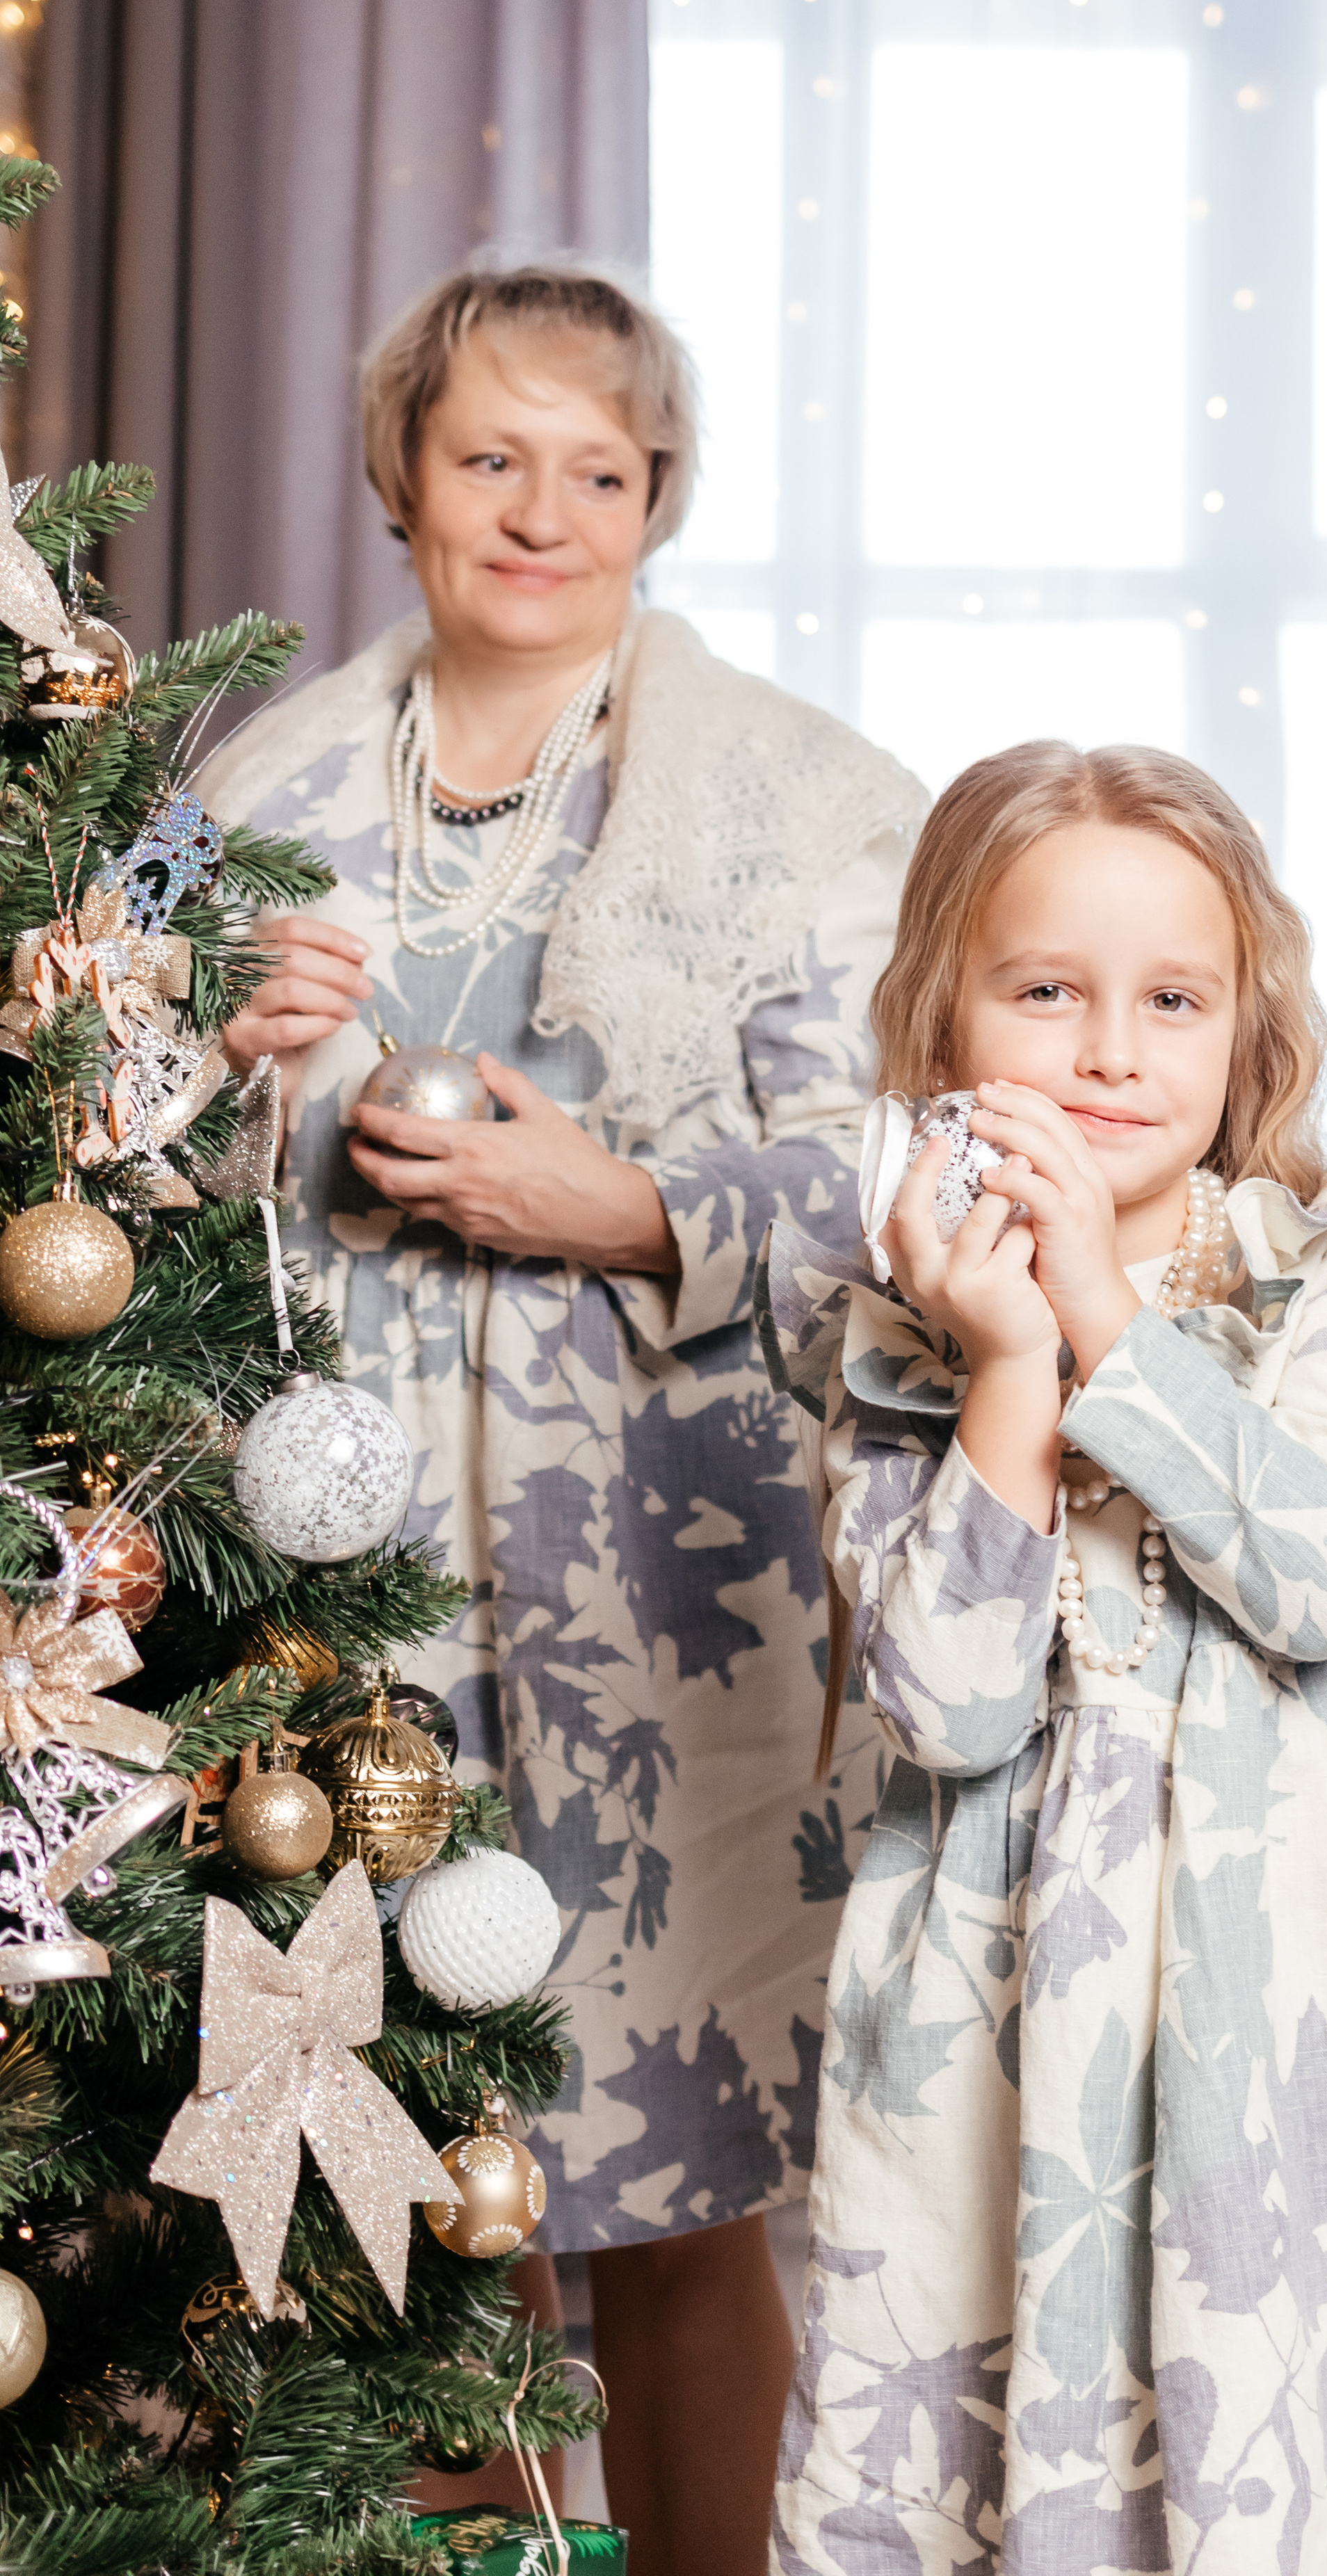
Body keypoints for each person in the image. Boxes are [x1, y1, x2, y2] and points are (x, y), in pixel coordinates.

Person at [200, 262, 922, 2569]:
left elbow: (910, 1184)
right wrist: (220, 1058)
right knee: (402, 2197)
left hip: (671, 1611)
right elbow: (97, 1194)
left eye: (596, 471)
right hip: (339, 1601)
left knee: (680, 2202)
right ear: (402, 471)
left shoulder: (807, 805)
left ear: (660, 501)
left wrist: (619, 1204)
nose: (540, 511)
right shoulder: (261, 785)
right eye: (490, 455)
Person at [757, 743, 1327, 2573]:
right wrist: (1010, 1361)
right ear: (948, 1013)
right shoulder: (911, 1319)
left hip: (1321, 1973)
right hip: (1002, 2011)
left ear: (1246, 1033)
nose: (1109, 1052)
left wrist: (1100, 1312)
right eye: (1046, 993)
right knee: (1014, 2445)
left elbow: (1324, 1572)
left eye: (1171, 1000)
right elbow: (946, 1699)